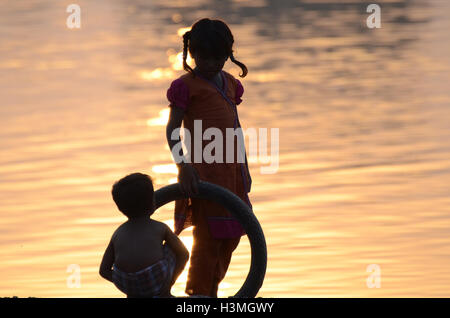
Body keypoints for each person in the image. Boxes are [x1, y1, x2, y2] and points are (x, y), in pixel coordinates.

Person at [165, 18, 253, 297]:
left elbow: (236, 128)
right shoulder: (186, 87)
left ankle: (211, 291)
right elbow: (172, 129)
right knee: (207, 240)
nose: (212, 63)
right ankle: (199, 296)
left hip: (232, 175)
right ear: (192, 54)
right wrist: (183, 167)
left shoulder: (229, 84)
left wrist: (245, 167)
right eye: (204, 57)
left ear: (227, 55)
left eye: (219, 58)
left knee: (230, 237)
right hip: (204, 176)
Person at [99, 172, 189, 298]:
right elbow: (184, 254)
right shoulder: (160, 228)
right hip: (155, 280)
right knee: (173, 248)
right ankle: (165, 293)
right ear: (152, 201)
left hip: (126, 284)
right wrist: (170, 281)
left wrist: (130, 284)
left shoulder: (118, 233)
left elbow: (103, 270)